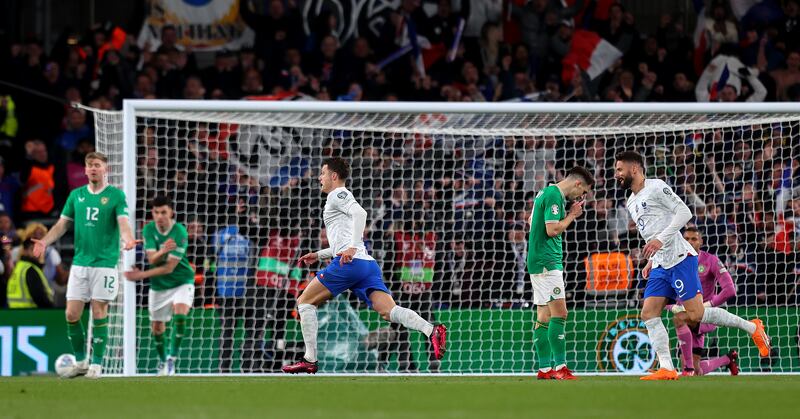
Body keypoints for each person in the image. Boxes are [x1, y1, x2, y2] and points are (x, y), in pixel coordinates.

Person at [613, 151, 770, 380]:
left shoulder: (656, 187)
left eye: (619, 170)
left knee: (695, 314)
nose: (616, 174)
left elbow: (684, 213)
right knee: (649, 313)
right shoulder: (630, 201)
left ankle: (753, 327)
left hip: (680, 258)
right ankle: (667, 367)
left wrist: (660, 240)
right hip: (661, 264)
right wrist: (651, 260)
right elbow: (653, 234)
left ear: (634, 169)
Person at [282, 157, 447, 374]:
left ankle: (310, 359)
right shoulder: (338, 200)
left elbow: (361, 214)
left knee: (304, 302)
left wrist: (349, 248)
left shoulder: (337, 194)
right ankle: (431, 329)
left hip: (349, 264)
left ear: (333, 176)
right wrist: (320, 254)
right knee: (389, 312)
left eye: (322, 173)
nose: (319, 177)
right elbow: (343, 243)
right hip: (366, 264)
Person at [32, 152, 136, 379]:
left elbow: (123, 223)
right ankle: (81, 362)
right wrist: (44, 241)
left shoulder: (116, 196)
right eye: (89, 166)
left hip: (104, 264)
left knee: (99, 312)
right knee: (71, 313)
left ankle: (97, 365)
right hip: (80, 264)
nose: (93, 169)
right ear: (86, 170)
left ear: (105, 169)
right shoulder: (76, 195)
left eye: (97, 165)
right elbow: (61, 225)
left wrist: (128, 239)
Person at [528, 166, 594, 380]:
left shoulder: (544, 193)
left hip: (537, 260)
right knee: (560, 314)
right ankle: (560, 368)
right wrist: (572, 215)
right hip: (548, 261)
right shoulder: (555, 195)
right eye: (583, 192)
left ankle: (545, 369)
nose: (581, 196)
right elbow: (552, 229)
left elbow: (531, 221)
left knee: (543, 315)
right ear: (577, 183)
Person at [124, 195, 195, 376]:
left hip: (181, 281)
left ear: (171, 212)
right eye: (156, 212)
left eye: (163, 212)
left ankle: (172, 358)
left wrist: (141, 275)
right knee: (157, 328)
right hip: (158, 286)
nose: (160, 216)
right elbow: (151, 258)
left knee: (180, 315)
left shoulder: (180, 232)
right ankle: (164, 361)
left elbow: (169, 267)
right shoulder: (148, 230)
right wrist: (163, 250)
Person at [670, 227, 739, 376]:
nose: (689, 242)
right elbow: (665, 292)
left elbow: (729, 290)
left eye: (694, 239)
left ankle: (687, 369)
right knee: (697, 371)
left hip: (703, 316)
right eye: (686, 239)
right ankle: (728, 359)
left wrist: (707, 306)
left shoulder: (711, 261)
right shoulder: (673, 262)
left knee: (680, 319)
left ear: (701, 242)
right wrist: (673, 306)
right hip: (687, 314)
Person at [6, 238, 53, 308]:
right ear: (24, 251)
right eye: (32, 249)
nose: (36, 252)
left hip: (15, 313)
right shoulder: (30, 270)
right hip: (31, 314)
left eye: (39, 249)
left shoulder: (19, 267)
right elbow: (40, 298)